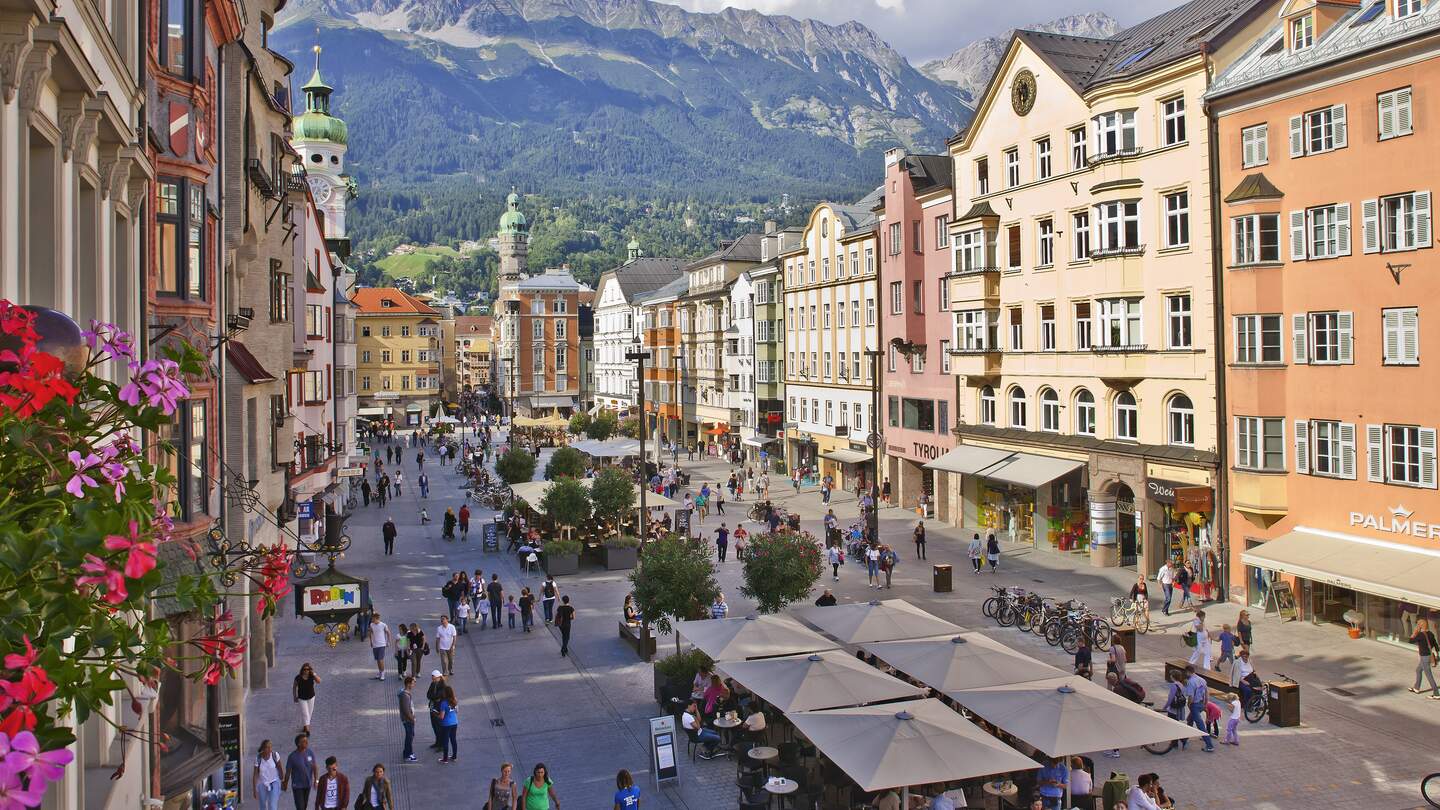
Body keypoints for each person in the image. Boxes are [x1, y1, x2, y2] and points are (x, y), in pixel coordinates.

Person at [1183, 664, 1215, 752]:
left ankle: (1209, 745)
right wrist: (1205, 704)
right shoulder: (1202, 680)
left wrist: (1189, 705)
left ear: (1188, 672)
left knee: (1200, 725)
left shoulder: (1191, 682)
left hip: (1195, 705)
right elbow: (1206, 694)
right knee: (1189, 720)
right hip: (1201, 703)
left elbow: (1191, 697)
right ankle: (1185, 739)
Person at [282, 734, 317, 810]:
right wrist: (285, 783)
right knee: (300, 807)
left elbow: (315, 767)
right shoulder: (292, 756)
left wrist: (316, 780)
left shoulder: (310, 753)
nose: (306, 742)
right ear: (298, 744)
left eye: (306, 740)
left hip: (307, 784)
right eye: (304, 741)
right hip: (297, 785)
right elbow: (288, 772)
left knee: (304, 806)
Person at [1410, 617, 1440, 698]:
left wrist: (1415, 632)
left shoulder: (1420, 635)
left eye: (1418, 624)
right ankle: (1416, 688)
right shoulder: (1430, 634)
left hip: (1424, 657)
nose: (1417, 625)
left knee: (1428, 674)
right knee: (1418, 670)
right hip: (1428, 656)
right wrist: (1437, 654)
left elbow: (1411, 641)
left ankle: (1436, 693)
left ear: (1420, 626)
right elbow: (1436, 645)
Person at [253, 739, 284, 810]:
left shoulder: (275, 755)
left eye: (271, 747)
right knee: (263, 805)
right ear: (263, 749)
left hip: (274, 782)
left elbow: (280, 768)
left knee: (272, 805)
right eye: (268, 747)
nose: (270, 749)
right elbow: (255, 775)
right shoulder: (258, 758)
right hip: (262, 783)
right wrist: (254, 790)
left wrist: (283, 780)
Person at [433, 685, 459, 763]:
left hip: (446, 724)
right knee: (453, 740)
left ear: (445, 693)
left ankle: (445, 759)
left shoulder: (444, 703)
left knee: (445, 741)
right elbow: (457, 711)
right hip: (454, 722)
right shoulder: (455, 700)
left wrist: (435, 714)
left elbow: (441, 716)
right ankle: (454, 756)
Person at [293, 663, 320, 735]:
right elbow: (294, 687)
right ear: (302, 670)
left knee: (309, 714)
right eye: (304, 669)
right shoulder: (298, 677)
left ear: (309, 670)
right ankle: (307, 730)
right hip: (301, 698)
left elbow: (319, 681)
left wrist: (313, 673)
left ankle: (305, 726)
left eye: (307, 669)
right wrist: (294, 696)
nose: (306, 671)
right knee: (305, 713)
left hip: (311, 697)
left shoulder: (312, 676)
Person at [397, 676, 417, 763]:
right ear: (408, 684)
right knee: (409, 737)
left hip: (408, 719)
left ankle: (407, 752)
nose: (414, 685)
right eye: (413, 683)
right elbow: (406, 710)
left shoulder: (406, 694)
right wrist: (412, 719)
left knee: (410, 735)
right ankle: (408, 754)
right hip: (408, 720)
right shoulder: (405, 696)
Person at [425, 671, 446, 751]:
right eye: (432, 678)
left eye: (434, 678)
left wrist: (434, 697)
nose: (433, 680)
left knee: (439, 727)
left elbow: (439, 696)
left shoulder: (443, 686)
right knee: (434, 726)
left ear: (439, 677)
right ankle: (437, 742)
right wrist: (435, 698)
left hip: (439, 709)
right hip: (432, 707)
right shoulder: (433, 684)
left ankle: (442, 745)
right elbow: (428, 694)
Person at [368, 612, 390, 681]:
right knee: (377, 660)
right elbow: (370, 632)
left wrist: (388, 641)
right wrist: (371, 641)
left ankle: (383, 673)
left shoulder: (383, 625)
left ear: (376, 618)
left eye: (373, 618)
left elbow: (388, 632)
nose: (372, 620)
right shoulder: (371, 625)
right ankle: (380, 672)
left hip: (382, 644)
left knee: (380, 660)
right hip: (375, 645)